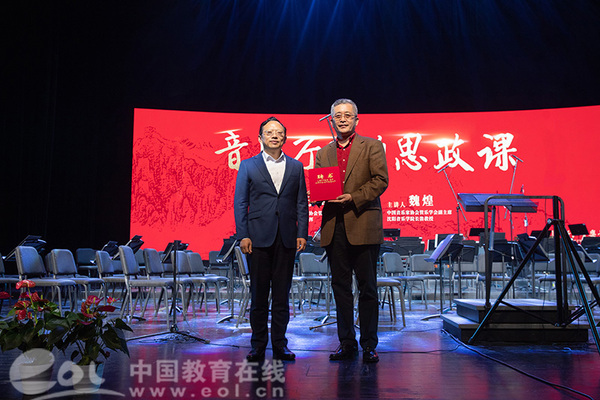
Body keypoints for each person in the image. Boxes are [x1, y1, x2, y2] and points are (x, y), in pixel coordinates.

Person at [315, 98, 389, 363]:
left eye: (348, 115)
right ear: (331, 120)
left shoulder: (372, 146)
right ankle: (346, 343)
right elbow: (321, 185)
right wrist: (316, 196)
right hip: (334, 227)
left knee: (368, 288)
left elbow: (381, 180)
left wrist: (353, 197)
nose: (343, 119)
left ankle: (369, 344)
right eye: (338, 115)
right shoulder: (322, 152)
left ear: (357, 119)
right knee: (340, 289)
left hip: (363, 224)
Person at [234, 116, 309, 362]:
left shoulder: (296, 166)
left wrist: (302, 233)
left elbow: (301, 203)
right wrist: (243, 235)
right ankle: (257, 345)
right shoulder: (248, 165)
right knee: (258, 295)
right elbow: (240, 202)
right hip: (257, 238)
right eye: (269, 132)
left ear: (285, 137)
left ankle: (280, 344)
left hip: (286, 238)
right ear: (260, 138)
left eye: (279, 132)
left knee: (281, 296)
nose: (274, 135)